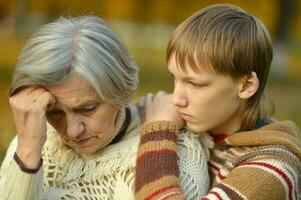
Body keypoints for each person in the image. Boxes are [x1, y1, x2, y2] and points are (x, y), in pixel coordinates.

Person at [0, 16, 210, 200]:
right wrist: (28, 153)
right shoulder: (32, 141)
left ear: (120, 91)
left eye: (87, 108)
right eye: (54, 112)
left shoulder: (178, 153)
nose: (72, 131)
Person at [134, 4, 301, 200]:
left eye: (195, 84)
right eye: (175, 78)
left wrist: (158, 130)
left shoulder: (273, 167)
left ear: (246, 86)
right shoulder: (197, 118)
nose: (177, 98)